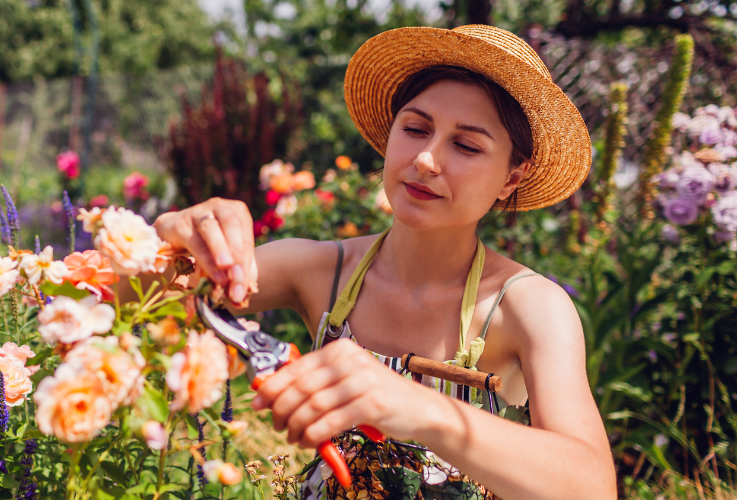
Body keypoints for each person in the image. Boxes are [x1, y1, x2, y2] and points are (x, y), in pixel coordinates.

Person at [154, 25, 616, 499]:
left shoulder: (526, 305)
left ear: (510, 179)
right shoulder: (321, 271)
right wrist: (171, 239)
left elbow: (592, 486)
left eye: (467, 145)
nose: (426, 159)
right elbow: (133, 303)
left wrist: (418, 408)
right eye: (415, 129)